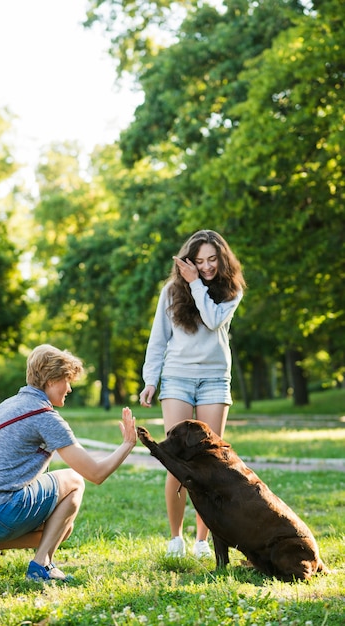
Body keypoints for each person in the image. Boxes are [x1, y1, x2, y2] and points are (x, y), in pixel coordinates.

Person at [0, 344, 137, 582]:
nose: (69, 388)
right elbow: (96, 474)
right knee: (74, 481)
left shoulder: (4, 406)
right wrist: (127, 445)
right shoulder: (45, 417)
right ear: (50, 380)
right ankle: (42, 566)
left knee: (62, 530)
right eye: (66, 380)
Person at [139, 229, 245, 558]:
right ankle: (175, 538)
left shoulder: (230, 290)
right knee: (177, 459)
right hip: (177, 378)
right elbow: (158, 338)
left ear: (222, 258)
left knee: (209, 460)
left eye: (212, 259)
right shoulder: (172, 291)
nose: (207, 266)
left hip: (214, 379)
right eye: (199, 261)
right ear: (188, 261)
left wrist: (197, 283)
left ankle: (202, 540)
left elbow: (212, 321)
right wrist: (150, 380)